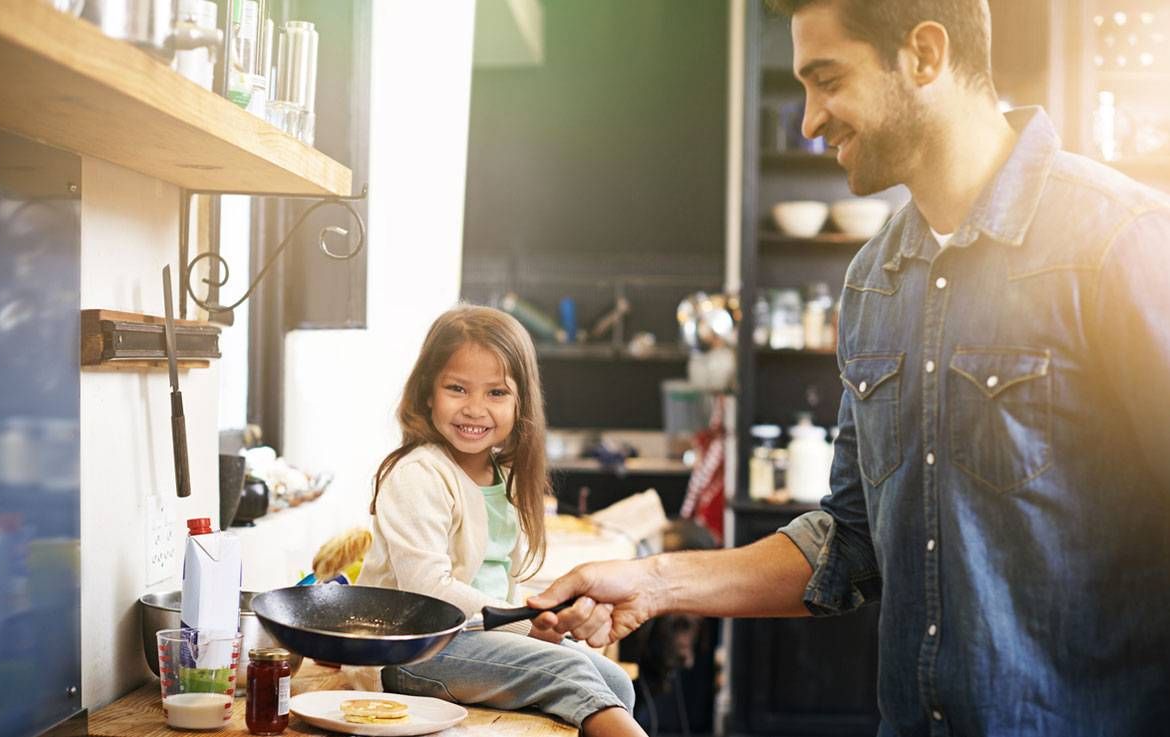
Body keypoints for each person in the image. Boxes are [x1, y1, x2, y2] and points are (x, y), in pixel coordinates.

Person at [529, 1, 1170, 735]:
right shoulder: (875, 280)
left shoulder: (1121, 243)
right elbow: (850, 537)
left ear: (925, 56)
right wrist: (653, 580)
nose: (808, 120)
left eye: (826, 79)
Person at [358, 304, 646, 737]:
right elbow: (429, 590)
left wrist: (541, 617)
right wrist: (526, 622)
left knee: (616, 681)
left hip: (479, 637)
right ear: (426, 392)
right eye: (457, 388)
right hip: (412, 650)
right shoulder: (418, 474)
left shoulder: (503, 477)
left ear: (520, 401)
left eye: (496, 393)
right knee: (570, 675)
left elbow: (494, 584)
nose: (475, 408)